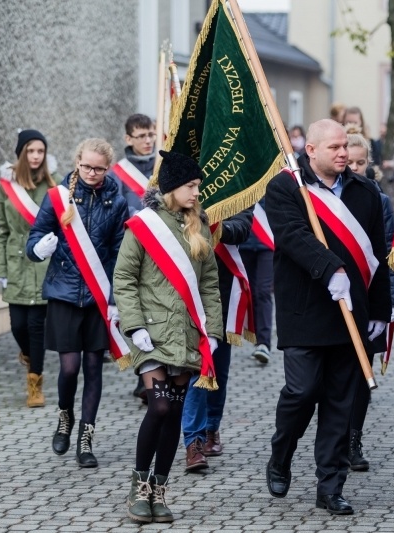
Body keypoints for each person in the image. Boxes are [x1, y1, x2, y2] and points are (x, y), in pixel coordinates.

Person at [264, 119, 391, 515]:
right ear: (312, 150)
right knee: (302, 393)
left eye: (346, 147)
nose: (342, 153)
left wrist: (382, 310)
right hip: (304, 309)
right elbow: (293, 236)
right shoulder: (286, 187)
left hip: (352, 313)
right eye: (334, 147)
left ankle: (330, 485)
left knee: (340, 402)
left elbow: (377, 255)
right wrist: (331, 269)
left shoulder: (366, 192)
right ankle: (281, 455)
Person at [113, 150, 223, 524]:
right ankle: (138, 488)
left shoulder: (200, 225)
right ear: (172, 186)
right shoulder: (143, 224)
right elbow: (124, 280)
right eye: (191, 186)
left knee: (174, 411)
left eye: (197, 186)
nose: (196, 193)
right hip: (152, 334)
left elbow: (210, 283)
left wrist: (213, 331)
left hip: (187, 333)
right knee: (159, 406)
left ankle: (159, 492)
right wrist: (134, 326)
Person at [26, 138, 129, 468]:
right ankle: (65, 416)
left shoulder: (116, 198)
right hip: (65, 293)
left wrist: (114, 298)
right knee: (69, 368)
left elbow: (118, 253)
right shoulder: (59, 196)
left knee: (94, 367)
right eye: (86, 166)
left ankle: (86, 438)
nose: (92, 173)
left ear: (107, 168)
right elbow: (33, 240)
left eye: (99, 168)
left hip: (98, 298)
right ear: (77, 162)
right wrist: (39, 248)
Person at [345, 129, 394, 471]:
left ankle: (354, 438)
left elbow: (389, 253)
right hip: (337, 300)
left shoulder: (378, 201)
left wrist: (392, 302)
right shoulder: (326, 198)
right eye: (349, 161)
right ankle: (335, 435)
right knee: (337, 374)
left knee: (363, 372)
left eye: (361, 162)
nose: (354, 167)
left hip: (370, 298)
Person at [182, 208, 253, 471]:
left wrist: (212, 225)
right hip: (185, 286)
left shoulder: (234, 181)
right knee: (195, 371)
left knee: (217, 370)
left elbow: (243, 226)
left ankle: (212, 427)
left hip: (221, 289)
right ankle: (194, 440)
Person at [0, 129, 59, 408]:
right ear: (21, 153)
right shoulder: (6, 187)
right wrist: (0, 269)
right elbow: (1, 230)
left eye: (40, 151)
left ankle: (35, 384)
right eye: (30, 151)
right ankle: (29, 356)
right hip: (16, 265)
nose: (35, 156)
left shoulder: (53, 187)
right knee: (17, 326)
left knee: (36, 327)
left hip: (42, 266)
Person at [117, 113, 157, 401]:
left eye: (150, 134)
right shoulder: (118, 174)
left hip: (160, 252)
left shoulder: (162, 167)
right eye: (141, 135)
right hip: (130, 251)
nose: (147, 140)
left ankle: (152, 375)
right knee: (135, 313)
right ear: (128, 139)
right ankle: (142, 373)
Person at [240, 199, 274, 364]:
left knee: (263, 291)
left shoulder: (272, 176)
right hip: (245, 241)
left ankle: (264, 343)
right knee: (250, 292)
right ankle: (255, 336)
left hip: (267, 243)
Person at [343, 106, 383, 172]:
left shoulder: (371, 143)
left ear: (361, 122)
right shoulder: (340, 142)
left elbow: (376, 164)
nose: (352, 126)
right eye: (348, 122)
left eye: (355, 123)